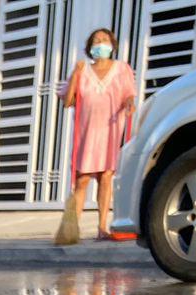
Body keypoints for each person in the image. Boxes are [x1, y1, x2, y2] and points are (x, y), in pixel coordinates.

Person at [61, 28, 137, 239]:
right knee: (82, 179)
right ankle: (71, 230)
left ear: (112, 45)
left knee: (106, 177)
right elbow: (68, 101)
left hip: (110, 130)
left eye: (104, 40)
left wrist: (130, 103)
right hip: (86, 132)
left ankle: (102, 227)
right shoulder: (82, 69)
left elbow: (129, 94)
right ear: (90, 47)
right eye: (96, 40)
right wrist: (75, 76)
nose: (101, 43)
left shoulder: (122, 69)